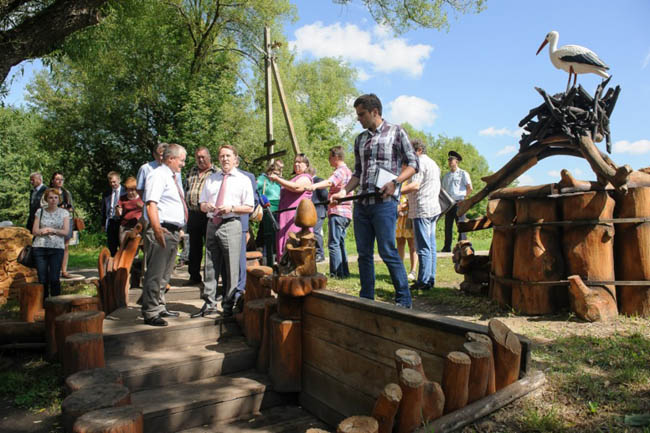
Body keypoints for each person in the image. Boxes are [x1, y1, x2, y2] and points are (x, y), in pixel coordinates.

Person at [330, 93, 418, 308]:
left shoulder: (396, 132)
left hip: (385, 204)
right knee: (364, 254)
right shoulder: (360, 139)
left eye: (361, 114)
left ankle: (404, 300)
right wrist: (343, 192)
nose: (358, 118)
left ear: (375, 112)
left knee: (388, 251)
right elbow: (357, 173)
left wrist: (395, 183)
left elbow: (413, 164)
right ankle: (366, 299)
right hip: (362, 205)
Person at [194, 145, 253, 319]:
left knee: (232, 267)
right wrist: (207, 206)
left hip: (231, 223)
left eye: (228, 156)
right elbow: (201, 204)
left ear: (235, 159)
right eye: (222, 156)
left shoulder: (243, 180)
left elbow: (249, 207)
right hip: (212, 223)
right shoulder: (211, 179)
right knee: (210, 265)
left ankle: (228, 305)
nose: (225, 159)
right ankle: (209, 303)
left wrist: (232, 208)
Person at [141, 143, 187, 327]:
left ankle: (160, 305)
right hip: (162, 229)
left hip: (173, 231)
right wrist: (157, 229)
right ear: (171, 159)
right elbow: (151, 204)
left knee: (165, 273)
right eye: (181, 160)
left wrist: (179, 227)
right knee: (155, 272)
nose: (183, 164)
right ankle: (151, 311)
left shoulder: (172, 177)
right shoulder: (158, 175)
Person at [400, 139, 441, 290]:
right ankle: (430, 279)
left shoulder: (419, 163)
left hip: (422, 209)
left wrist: (395, 189)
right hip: (432, 208)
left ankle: (423, 281)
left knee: (423, 247)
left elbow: (415, 185)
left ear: (418, 151)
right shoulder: (433, 163)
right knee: (430, 246)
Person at [307, 145, 353, 278]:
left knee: (333, 244)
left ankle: (336, 273)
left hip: (338, 211)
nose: (328, 160)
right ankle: (344, 272)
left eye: (329, 158)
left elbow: (329, 182)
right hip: (346, 213)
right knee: (340, 243)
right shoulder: (349, 171)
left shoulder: (340, 171)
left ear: (336, 157)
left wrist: (314, 186)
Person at [183, 146, 216, 285]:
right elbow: (185, 190)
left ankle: (210, 278)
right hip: (193, 214)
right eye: (198, 157)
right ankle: (194, 276)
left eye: (203, 157)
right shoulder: (191, 171)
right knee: (194, 246)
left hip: (209, 215)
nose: (200, 160)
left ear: (209, 157)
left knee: (210, 247)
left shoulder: (216, 172)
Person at [269, 154, 313, 259]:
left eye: (300, 162)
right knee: (284, 245)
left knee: (294, 244)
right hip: (285, 217)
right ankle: (284, 266)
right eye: (295, 162)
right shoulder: (294, 178)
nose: (296, 164)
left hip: (296, 218)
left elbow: (296, 187)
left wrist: (278, 179)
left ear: (306, 165)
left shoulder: (306, 178)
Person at [32, 188, 70, 299]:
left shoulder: (64, 213)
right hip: (40, 247)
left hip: (56, 248)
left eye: (55, 197)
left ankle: (56, 303)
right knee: (42, 279)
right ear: (46, 199)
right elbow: (34, 231)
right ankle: (43, 303)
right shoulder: (40, 212)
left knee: (54, 278)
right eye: (50, 198)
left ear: (59, 199)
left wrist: (53, 230)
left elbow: (66, 232)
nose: (53, 200)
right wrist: (43, 231)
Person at [43, 172, 74, 278]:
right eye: (57, 179)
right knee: (52, 245)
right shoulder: (48, 192)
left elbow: (72, 208)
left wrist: (67, 208)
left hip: (66, 220)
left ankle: (64, 271)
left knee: (65, 246)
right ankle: (51, 270)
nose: (60, 181)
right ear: (53, 181)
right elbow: (43, 206)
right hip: (52, 221)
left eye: (62, 179)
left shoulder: (66, 193)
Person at [441, 150, 472, 252]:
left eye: (451, 160)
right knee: (448, 226)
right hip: (449, 204)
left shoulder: (463, 173)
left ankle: (462, 247)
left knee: (461, 225)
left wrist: (464, 199)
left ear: (457, 161)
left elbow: (469, 188)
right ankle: (447, 247)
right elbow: (443, 190)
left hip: (459, 202)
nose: (450, 162)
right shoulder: (446, 176)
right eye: (449, 160)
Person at [256, 160, 283, 265]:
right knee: (268, 236)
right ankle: (268, 262)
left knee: (276, 235)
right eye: (274, 173)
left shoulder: (279, 181)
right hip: (267, 209)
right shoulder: (262, 179)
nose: (276, 176)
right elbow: (254, 190)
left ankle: (276, 259)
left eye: (278, 174)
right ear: (269, 172)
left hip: (279, 209)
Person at [395, 176, 418, 282]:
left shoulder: (413, 179)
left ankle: (413, 271)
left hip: (409, 215)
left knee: (412, 244)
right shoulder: (398, 179)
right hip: (398, 216)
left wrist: (404, 206)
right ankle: (400, 270)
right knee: (400, 242)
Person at [101, 171, 125, 256]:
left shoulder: (125, 192)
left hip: (122, 222)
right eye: (110, 182)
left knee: (122, 245)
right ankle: (113, 262)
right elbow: (103, 209)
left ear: (119, 180)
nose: (112, 184)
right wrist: (103, 224)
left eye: (114, 182)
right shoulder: (106, 193)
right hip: (111, 222)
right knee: (112, 246)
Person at [116, 176, 144, 245]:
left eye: (132, 190)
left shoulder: (142, 198)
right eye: (128, 190)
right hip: (125, 227)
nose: (130, 192)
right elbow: (118, 214)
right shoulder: (122, 198)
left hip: (139, 227)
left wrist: (142, 207)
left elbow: (149, 210)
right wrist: (117, 210)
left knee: (142, 247)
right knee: (125, 248)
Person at [310, 167, 328, 263]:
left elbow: (325, 195)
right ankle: (314, 253)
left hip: (319, 210)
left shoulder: (319, 181)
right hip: (312, 211)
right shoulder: (310, 182)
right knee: (312, 232)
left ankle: (320, 254)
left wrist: (326, 209)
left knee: (316, 232)